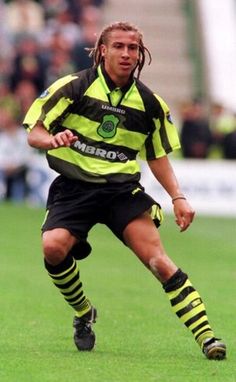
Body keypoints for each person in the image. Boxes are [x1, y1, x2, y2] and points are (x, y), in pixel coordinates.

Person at [23, 21, 226, 360]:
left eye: (132, 48)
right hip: (74, 187)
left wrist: (178, 197)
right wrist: (51, 139)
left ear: (140, 53)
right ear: (102, 50)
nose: (126, 53)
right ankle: (84, 312)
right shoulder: (74, 87)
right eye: (119, 46)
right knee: (53, 248)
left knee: (160, 263)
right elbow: (35, 132)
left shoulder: (150, 104)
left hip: (121, 191)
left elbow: (157, 156)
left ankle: (208, 339)